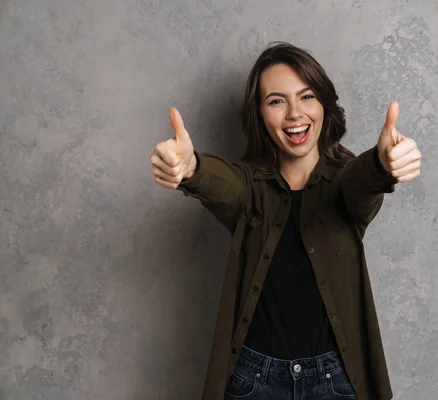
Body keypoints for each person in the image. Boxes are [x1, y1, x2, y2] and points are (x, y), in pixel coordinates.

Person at [149, 42, 421, 400]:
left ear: (323, 104)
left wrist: (383, 165)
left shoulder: (343, 183)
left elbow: (362, 181)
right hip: (253, 380)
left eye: (306, 96)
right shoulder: (250, 187)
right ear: (260, 114)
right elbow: (223, 184)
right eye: (276, 101)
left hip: (334, 382)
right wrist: (190, 168)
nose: (294, 114)